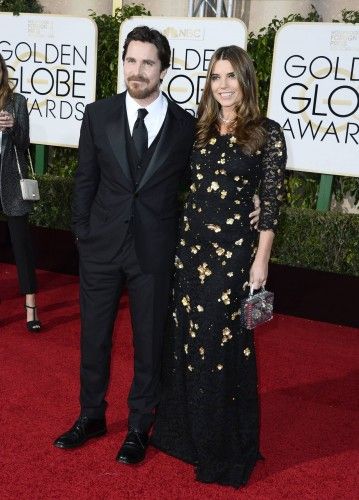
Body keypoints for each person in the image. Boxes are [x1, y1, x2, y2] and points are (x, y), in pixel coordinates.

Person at [53, 28, 259, 464]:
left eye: (148, 63)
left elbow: (211, 178)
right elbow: (85, 182)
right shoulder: (98, 115)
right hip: (101, 249)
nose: (137, 71)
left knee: (149, 343)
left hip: (155, 252)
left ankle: (137, 426)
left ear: (163, 69)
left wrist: (255, 196)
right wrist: (83, 236)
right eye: (131, 61)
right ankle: (91, 415)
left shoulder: (187, 126)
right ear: (122, 63)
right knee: (94, 339)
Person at [151, 45, 287, 488]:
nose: (223, 85)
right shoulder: (199, 128)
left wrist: (260, 261)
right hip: (190, 252)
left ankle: (221, 443)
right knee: (187, 340)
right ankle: (185, 435)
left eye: (231, 76)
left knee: (219, 343)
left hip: (232, 257)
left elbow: (271, 204)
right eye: (215, 76)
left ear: (246, 79)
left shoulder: (266, 132)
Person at [0, 54, 41, 333]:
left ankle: (31, 306)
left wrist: (12, 126)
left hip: (12, 183)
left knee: (21, 246)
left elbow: (25, 142)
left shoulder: (17, 102)